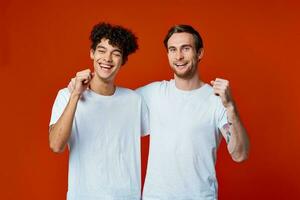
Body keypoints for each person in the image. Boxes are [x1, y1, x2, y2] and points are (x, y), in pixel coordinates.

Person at [69, 24, 250, 200]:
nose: (179, 56)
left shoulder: (217, 100)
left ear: (200, 53)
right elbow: (111, 101)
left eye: (185, 48)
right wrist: (78, 88)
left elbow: (239, 154)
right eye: (172, 49)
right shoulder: (151, 94)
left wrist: (231, 107)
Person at [49, 22, 149, 200]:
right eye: (102, 50)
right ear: (92, 53)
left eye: (115, 53)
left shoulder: (135, 101)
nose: (107, 59)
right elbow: (56, 145)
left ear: (123, 60)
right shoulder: (66, 96)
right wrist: (76, 96)